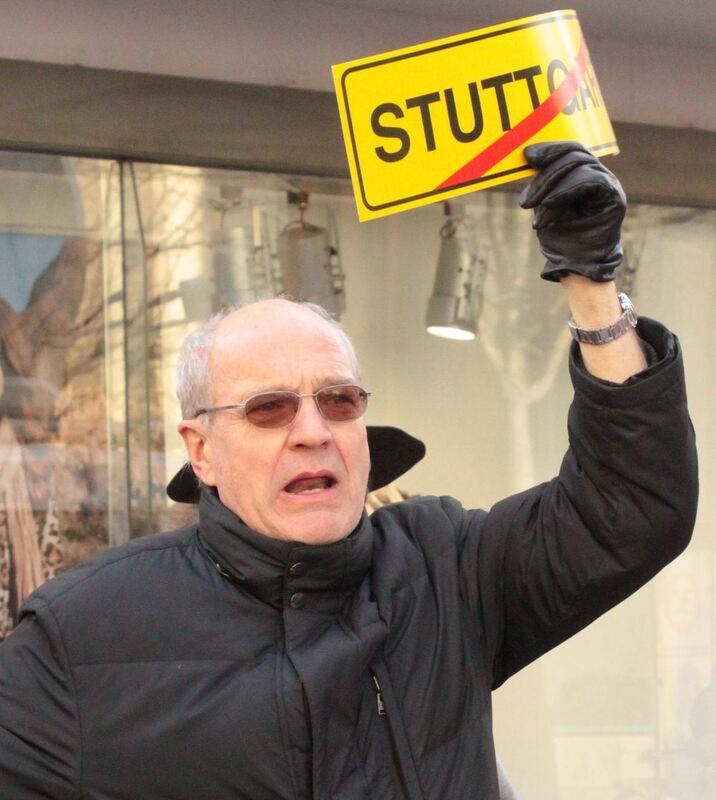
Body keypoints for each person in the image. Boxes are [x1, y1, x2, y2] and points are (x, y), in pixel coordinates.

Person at [0, 142, 698, 799]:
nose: (313, 431)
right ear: (201, 448)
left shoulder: (444, 569)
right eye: (269, 409)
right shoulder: (79, 635)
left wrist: (594, 290)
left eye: (338, 401)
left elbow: (630, 507)